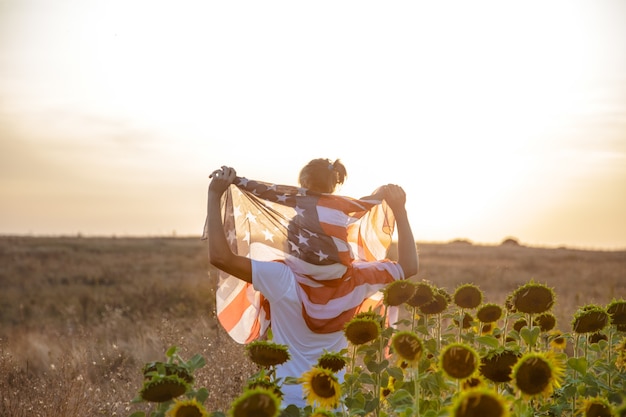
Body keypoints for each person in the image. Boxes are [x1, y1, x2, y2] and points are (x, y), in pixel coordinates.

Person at [204, 159, 418, 408]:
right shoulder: (359, 280)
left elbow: (220, 257)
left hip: (286, 406)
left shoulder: (282, 279)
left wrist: (214, 194)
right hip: (335, 406)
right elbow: (408, 266)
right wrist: (399, 211)